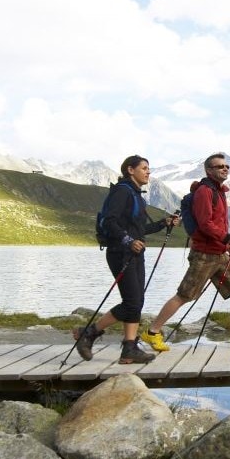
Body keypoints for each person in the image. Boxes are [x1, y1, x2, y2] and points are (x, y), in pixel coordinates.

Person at [142, 153, 230, 351]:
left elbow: (214, 225)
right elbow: (205, 224)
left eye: (226, 166)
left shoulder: (219, 191)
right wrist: (228, 238)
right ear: (209, 170)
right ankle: (152, 333)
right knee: (185, 295)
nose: (225, 169)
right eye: (219, 167)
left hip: (219, 253)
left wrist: (227, 245)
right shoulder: (204, 191)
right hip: (204, 255)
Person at [73, 155, 179, 363]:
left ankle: (129, 349)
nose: (149, 172)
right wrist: (128, 240)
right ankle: (89, 332)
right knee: (132, 302)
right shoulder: (122, 191)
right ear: (130, 170)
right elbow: (109, 221)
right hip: (120, 253)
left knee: (136, 302)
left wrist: (163, 223)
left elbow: (139, 229)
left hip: (134, 253)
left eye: (149, 168)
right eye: (144, 168)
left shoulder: (136, 194)